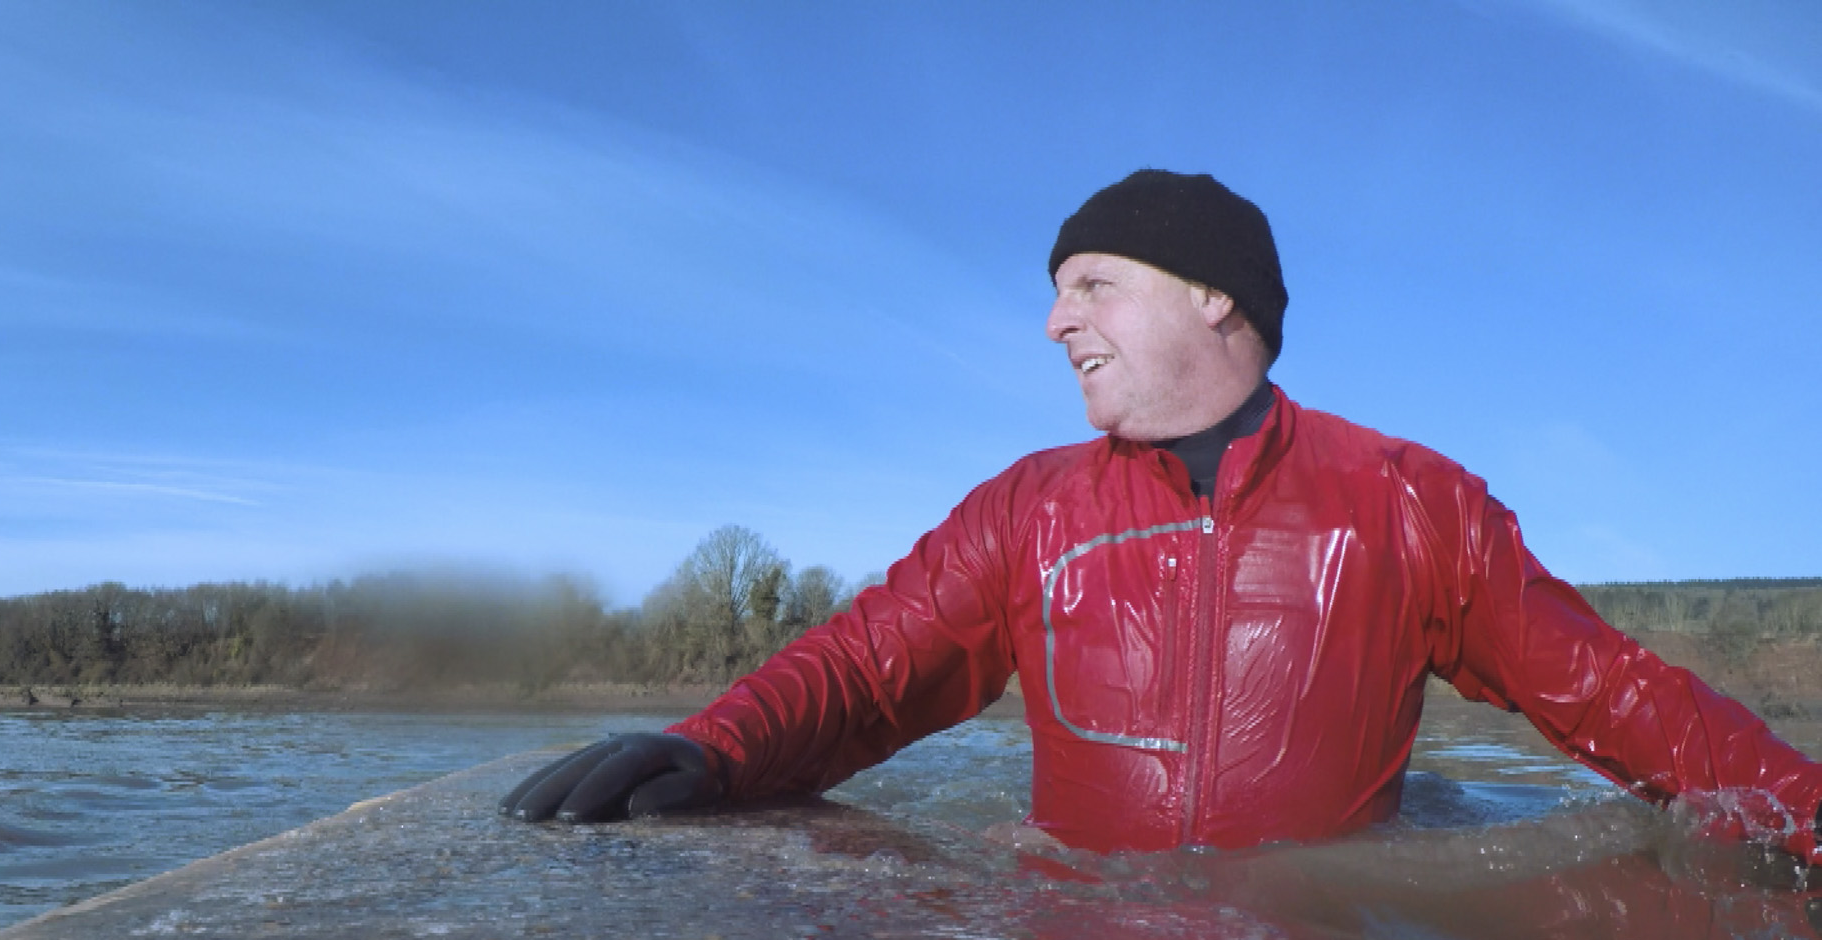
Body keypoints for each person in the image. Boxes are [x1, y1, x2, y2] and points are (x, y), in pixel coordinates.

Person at [502, 170, 1822, 862]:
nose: (1052, 318)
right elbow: (861, 669)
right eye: (1055, 290)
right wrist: (713, 751)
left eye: (1089, 282)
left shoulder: (1412, 503)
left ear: (1214, 298)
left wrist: (1803, 815)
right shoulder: (1028, 508)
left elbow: (1624, 701)